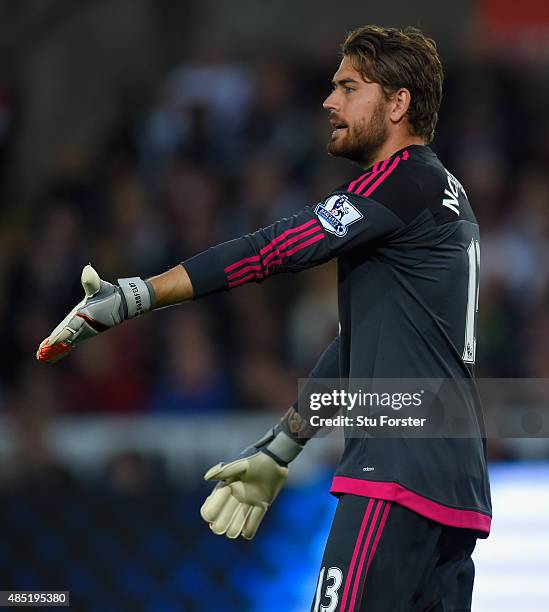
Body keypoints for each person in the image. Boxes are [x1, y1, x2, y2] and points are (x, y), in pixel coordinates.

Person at [37, 25, 491, 611]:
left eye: (349, 88)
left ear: (398, 104)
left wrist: (139, 295)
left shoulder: (401, 182)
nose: (330, 102)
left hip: (396, 476)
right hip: (454, 491)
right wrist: (282, 447)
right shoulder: (442, 193)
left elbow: (274, 248)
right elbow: (360, 351)